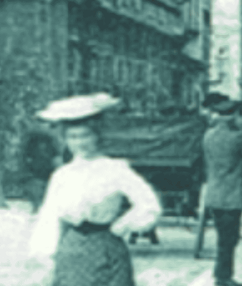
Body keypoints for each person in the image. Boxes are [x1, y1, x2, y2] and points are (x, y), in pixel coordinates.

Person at [28, 93, 162, 286]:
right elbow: (49, 216)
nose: (80, 143)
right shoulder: (62, 175)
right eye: (73, 137)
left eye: (85, 135)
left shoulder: (115, 169)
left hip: (106, 247)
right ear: (65, 140)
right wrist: (45, 253)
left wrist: (122, 226)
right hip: (72, 250)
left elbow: (149, 205)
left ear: (97, 136)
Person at [202, 99, 242, 286]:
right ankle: (223, 277)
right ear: (234, 116)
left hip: (214, 194)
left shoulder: (208, 135)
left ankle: (221, 275)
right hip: (231, 197)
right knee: (230, 239)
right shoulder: (237, 138)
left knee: (223, 238)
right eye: (240, 115)